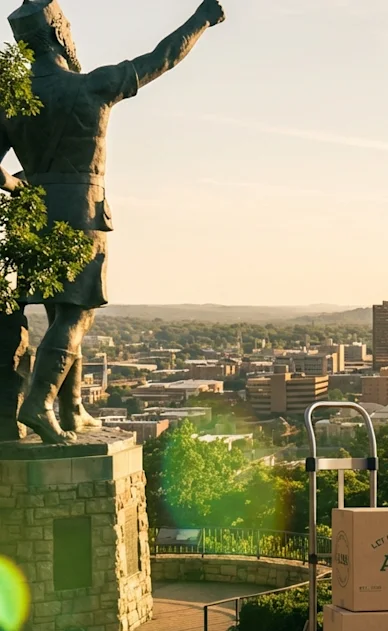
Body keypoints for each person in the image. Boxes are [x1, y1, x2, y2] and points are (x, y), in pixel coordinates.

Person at [0, 0, 225, 443]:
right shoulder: (91, 87)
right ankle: (41, 403)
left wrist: (19, 188)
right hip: (82, 209)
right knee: (76, 313)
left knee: (57, 308)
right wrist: (202, 18)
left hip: (29, 216)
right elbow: (162, 58)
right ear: (61, 36)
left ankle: (72, 404)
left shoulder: (12, 102)